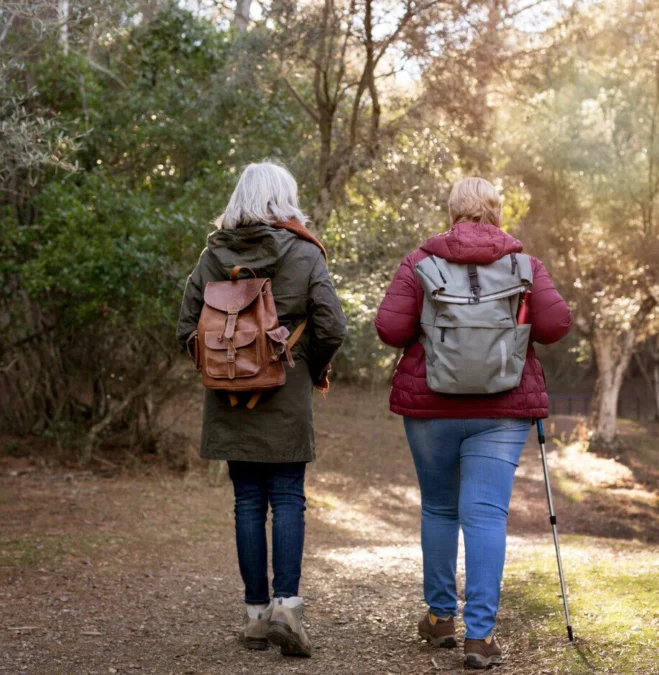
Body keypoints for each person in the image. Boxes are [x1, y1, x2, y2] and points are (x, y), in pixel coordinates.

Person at [374, 177, 571, 669]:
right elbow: (556, 325)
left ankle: (441, 619)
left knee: (440, 510)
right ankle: (480, 638)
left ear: (452, 213)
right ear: (497, 213)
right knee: (485, 516)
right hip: (502, 411)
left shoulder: (421, 263)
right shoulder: (525, 266)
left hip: (431, 406)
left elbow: (390, 328)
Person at [176, 161, 347, 658]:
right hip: (285, 388)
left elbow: (186, 326)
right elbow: (331, 324)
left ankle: (255, 618)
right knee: (288, 497)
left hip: (227, 393)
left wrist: (223, 367)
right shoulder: (303, 250)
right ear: (284, 199)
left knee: (247, 501)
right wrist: (308, 368)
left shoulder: (213, 255)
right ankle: (287, 608)